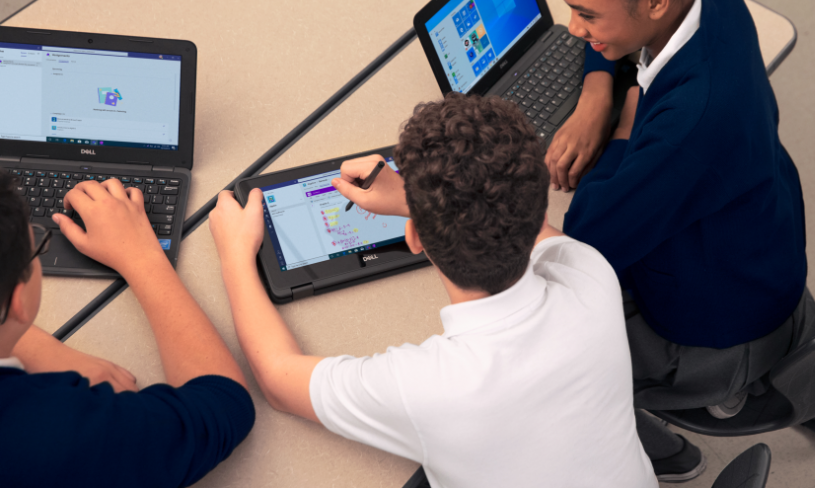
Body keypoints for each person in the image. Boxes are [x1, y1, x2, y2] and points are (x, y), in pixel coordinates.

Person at [546, 0, 808, 480]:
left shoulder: (690, 125)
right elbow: (623, 53)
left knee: (545, 356)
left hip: (720, 324)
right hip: (756, 237)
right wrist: (602, 89)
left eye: (586, 14)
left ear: (655, 2)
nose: (574, 30)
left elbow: (587, 238)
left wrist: (627, 122)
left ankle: (665, 451)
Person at [209, 93, 657, 488]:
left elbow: (276, 377)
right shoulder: (589, 273)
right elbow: (528, 218)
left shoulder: (427, 386)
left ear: (415, 239)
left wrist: (234, 255)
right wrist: (422, 201)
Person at [0, 173, 255, 488]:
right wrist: (139, 255)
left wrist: (33, 344)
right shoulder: (59, 434)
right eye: (37, 246)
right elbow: (222, 406)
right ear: (16, 301)